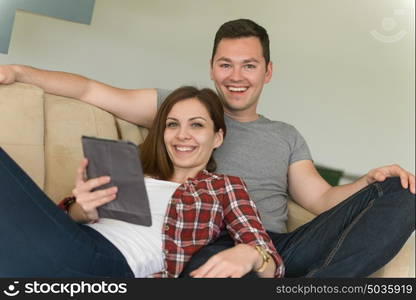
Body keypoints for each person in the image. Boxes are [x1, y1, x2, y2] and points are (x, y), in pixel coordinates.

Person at [0, 19, 414, 277]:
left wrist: (367, 181)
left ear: (267, 71)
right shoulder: (177, 106)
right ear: (212, 67)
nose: (236, 76)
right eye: (225, 64)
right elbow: (91, 88)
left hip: (274, 242)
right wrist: (19, 71)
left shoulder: (284, 135)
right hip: (204, 243)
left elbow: (322, 198)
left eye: (248, 65)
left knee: (403, 192)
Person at [0, 86, 284, 278]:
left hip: (111, 264)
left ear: (218, 137)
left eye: (196, 125)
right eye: (173, 124)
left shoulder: (223, 187)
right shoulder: (130, 169)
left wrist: (251, 254)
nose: (182, 135)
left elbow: (268, 256)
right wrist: (80, 209)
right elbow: (65, 220)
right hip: (71, 240)